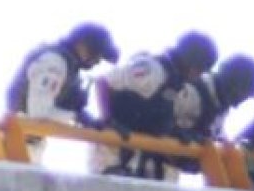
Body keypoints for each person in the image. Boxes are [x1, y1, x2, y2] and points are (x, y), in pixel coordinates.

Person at [92, 31, 219, 179]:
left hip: (136, 152)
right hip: (111, 149)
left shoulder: (176, 83)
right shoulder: (152, 70)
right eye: (200, 69)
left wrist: (174, 131)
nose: (198, 75)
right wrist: (107, 119)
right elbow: (104, 81)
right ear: (191, 63)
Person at [5, 24, 119, 161]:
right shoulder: (54, 63)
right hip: (17, 144)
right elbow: (39, 113)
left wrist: (95, 122)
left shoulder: (69, 67)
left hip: (28, 143)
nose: (98, 61)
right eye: (96, 53)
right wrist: (76, 117)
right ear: (81, 46)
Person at [160, 54, 254, 181]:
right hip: (149, 164)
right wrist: (175, 131)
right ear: (233, 85)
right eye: (246, 91)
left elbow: (213, 134)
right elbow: (156, 118)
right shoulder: (192, 93)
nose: (247, 98)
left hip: (169, 171)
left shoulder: (220, 103)